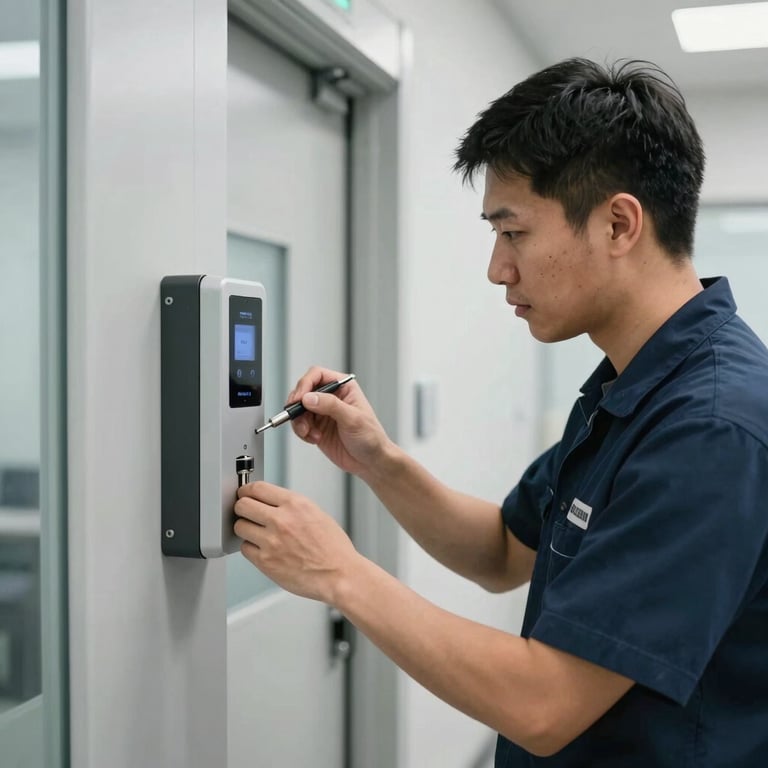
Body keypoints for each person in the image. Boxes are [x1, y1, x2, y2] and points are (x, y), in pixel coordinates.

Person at [233, 58, 768, 766]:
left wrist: (340, 574)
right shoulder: (629, 383)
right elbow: (501, 551)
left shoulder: (710, 425)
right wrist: (378, 460)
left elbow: (545, 705)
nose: (497, 268)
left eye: (512, 232)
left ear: (618, 223)